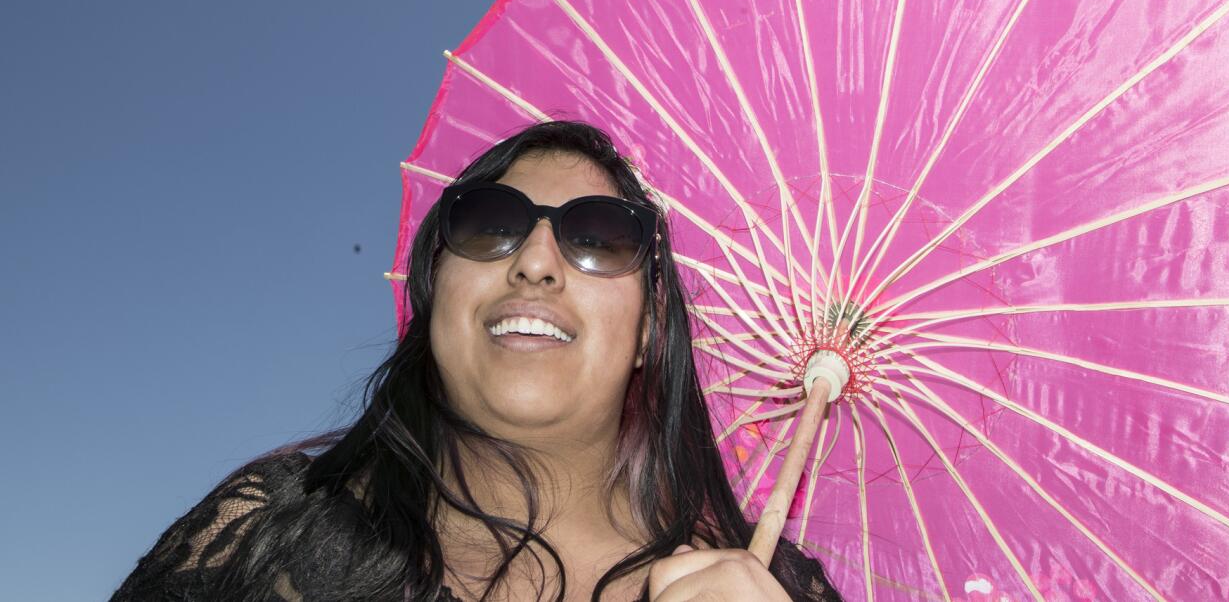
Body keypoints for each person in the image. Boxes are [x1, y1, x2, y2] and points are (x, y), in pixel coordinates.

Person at [110, 120, 843, 601]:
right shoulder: (272, 527)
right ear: (435, 293)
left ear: (652, 327)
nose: (535, 261)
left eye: (598, 235)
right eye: (490, 223)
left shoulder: (771, 585)